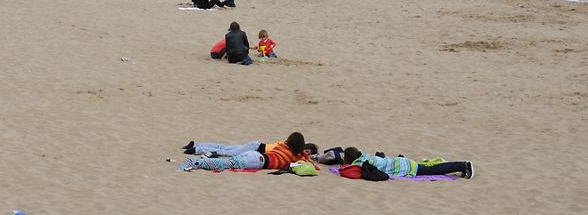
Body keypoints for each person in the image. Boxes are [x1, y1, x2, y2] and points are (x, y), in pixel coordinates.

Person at [179, 132, 317, 172]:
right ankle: (197, 154)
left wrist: (303, 154)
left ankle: (197, 146)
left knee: (226, 150)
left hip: (256, 152)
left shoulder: (282, 146)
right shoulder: (293, 157)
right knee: (226, 156)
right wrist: (306, 157)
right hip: (256, 155)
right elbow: (307, 164)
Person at [342, 147, 473, 179]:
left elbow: (352, 171)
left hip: (406, 167)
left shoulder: (360, 164)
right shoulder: (365, 156)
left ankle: (463, 165)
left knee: (435, 170)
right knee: (431, 167)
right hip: (402, 161)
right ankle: (462, 166)